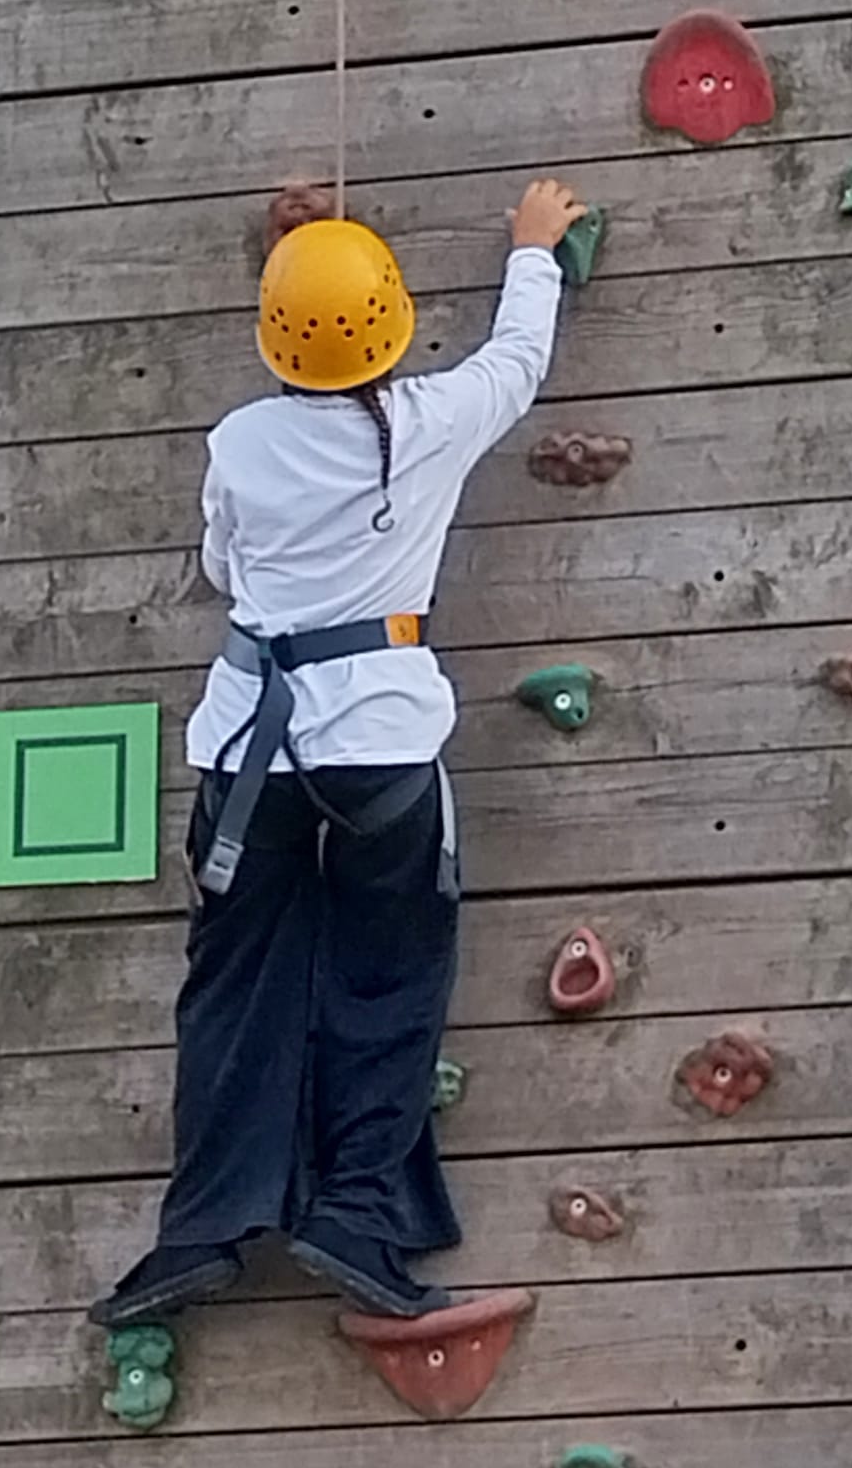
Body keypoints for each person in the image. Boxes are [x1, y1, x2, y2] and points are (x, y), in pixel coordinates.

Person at [90, 178, 590, 1328]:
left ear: (275, 339)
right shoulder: (426, 424)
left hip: (249, 751)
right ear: (391, 326)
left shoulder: (240, 442)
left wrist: (301, 255)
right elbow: (516, 362)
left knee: (231, 988)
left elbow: (224, 571)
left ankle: (201, 1229)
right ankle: (356, 1215)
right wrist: (531, 248)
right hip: (380, 745)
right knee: (390, 976)